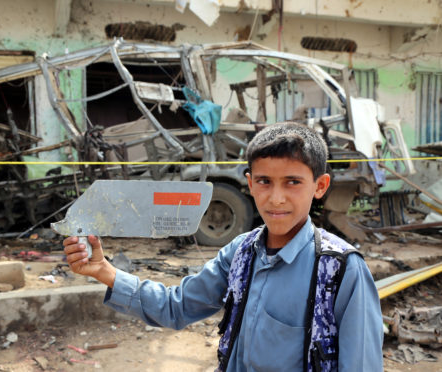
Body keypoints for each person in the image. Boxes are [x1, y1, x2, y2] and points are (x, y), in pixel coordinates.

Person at [63, 122, 384, 371]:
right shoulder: (240, 254)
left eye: (293, 182)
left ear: (320, 186)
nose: (276, 198)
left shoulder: (340, 271)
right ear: (249, 182)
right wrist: (106, 272)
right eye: (264, 182)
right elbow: (177, 307)